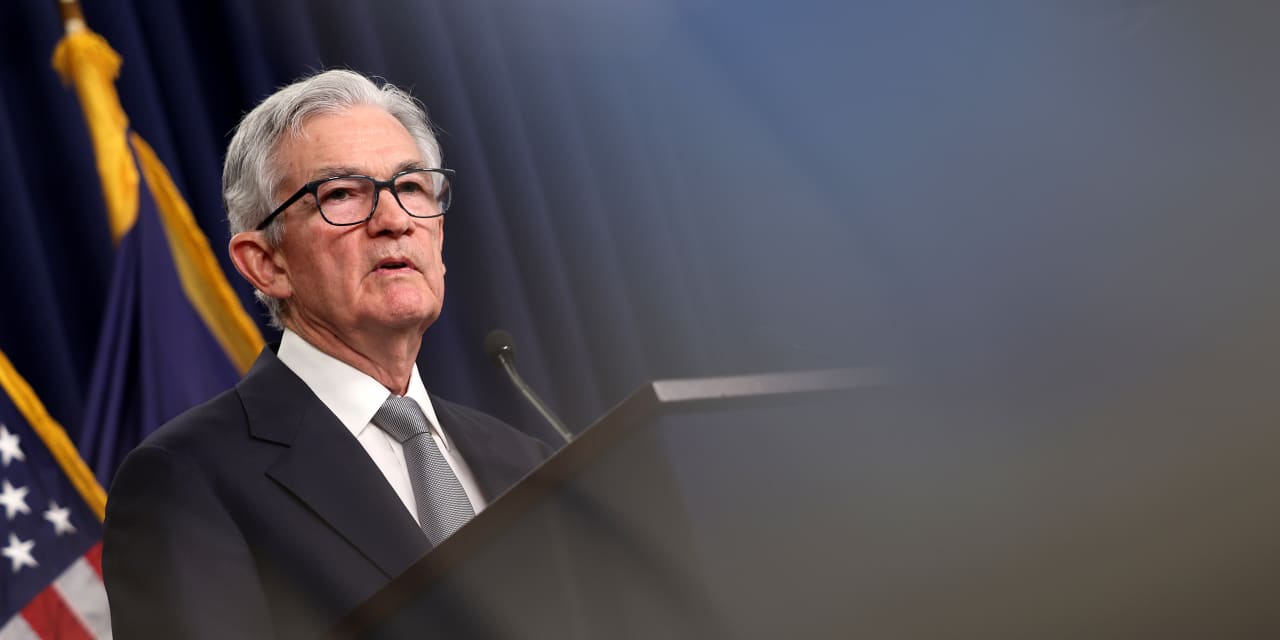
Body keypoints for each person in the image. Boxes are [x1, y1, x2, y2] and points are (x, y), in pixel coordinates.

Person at [101, 69, 551, 638]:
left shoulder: (527, 460)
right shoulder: (186, 480)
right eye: (340, 195)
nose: (394, 221)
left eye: (412, 188)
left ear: (438, 233)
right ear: (266, 263)